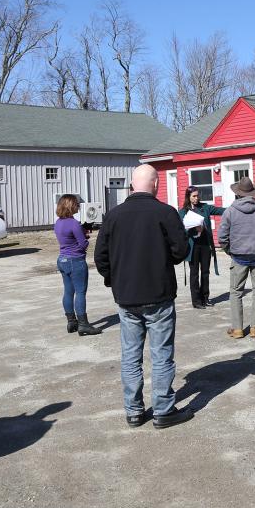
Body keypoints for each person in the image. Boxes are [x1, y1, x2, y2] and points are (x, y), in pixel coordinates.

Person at [94, 164, 192, 429]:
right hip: (158, 294)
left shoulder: (113, 216)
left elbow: (100, 257)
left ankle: (134, 411)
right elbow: (181, 250)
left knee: (131, 355)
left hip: (127, 296)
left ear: (131, 185)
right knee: (161, 354)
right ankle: (162, 410)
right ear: (157, 184)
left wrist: (114, 280)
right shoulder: (165, 213)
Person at [218, 176, 255, 339]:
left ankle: (238, 329)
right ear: (252, 193)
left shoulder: (230, 211)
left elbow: (222, 237)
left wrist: (230, 251)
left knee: (236, 292)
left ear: (237, 194)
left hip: (239, 256)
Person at [54, 194, 101, 336]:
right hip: (76, 261)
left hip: (62, 259)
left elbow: (68, 238)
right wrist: (85, 236)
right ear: (70, 206)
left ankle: (71, 321)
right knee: (80, 292)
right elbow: (82, 245)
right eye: (76, 204)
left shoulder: (58, 222)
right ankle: (83, 325)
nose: (78, 206)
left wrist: (81, 230)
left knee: (68, 292)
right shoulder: (74, 223)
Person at [178, 186, 226, 309]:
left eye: (198, 195)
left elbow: (221, 210)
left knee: (205, 272)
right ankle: (196, 300)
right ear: (188, 197)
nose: (197, 198)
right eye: (194, 196)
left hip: (205, 245)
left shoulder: (205, 207)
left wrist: (236, 208)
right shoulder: (183, 211)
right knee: (194, 274)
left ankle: (205, 297)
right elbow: (180, 229)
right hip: (193, 247)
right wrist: (192, 228)